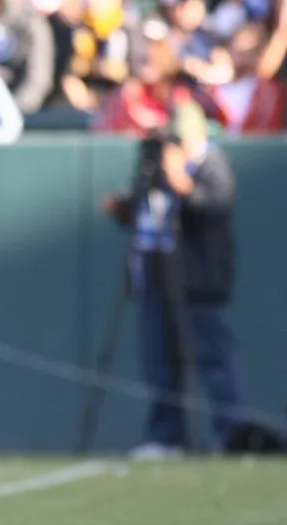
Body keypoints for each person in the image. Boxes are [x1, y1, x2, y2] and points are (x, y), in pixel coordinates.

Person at [102, 98, 245, 459]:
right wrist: (123, 207)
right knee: (160, 361)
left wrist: (181, 181)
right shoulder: (159, 164)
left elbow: (214, 207)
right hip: (157, 275)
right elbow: (144, 210)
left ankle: (231, 435)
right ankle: (166, 436)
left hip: (199, 280)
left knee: (214, 361)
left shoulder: (212, 163)